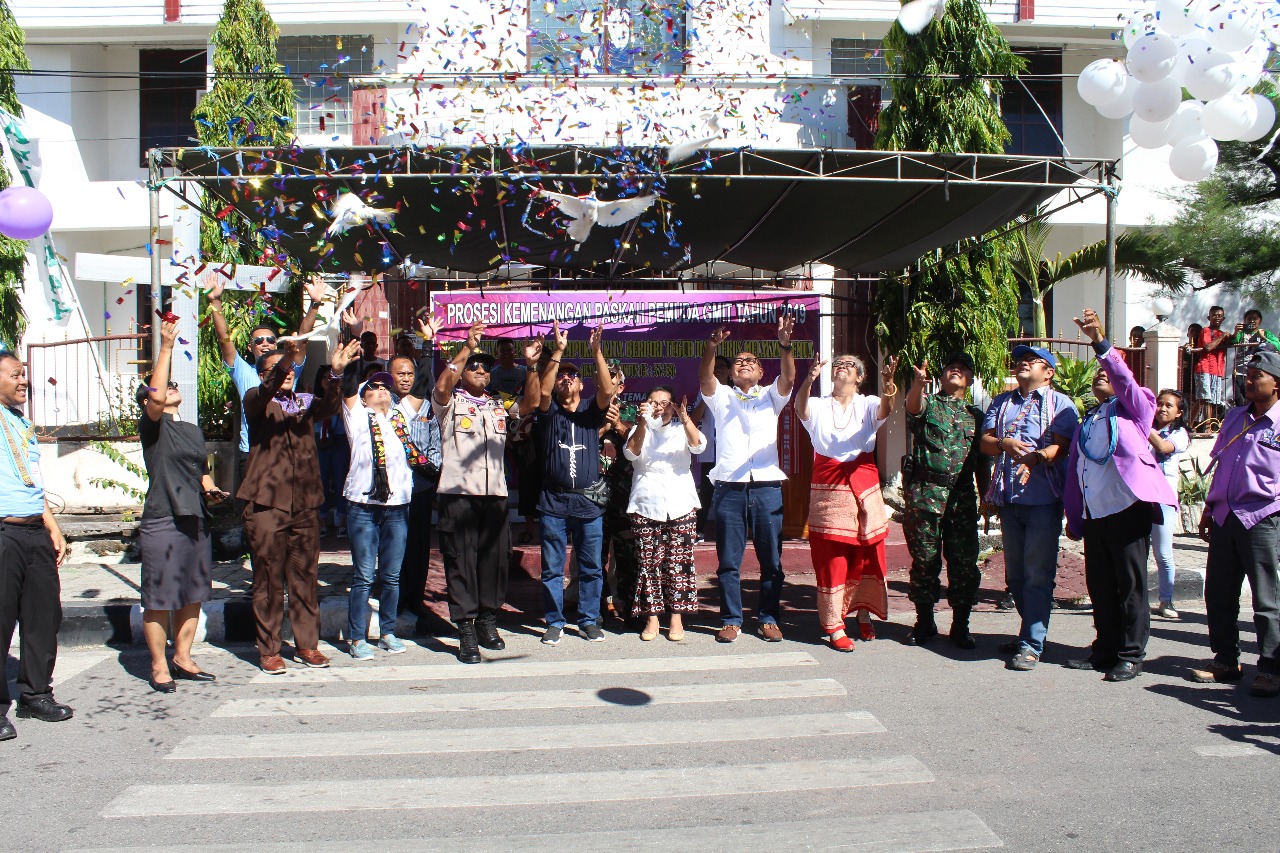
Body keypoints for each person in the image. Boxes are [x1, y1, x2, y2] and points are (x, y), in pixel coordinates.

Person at [1061, 309, 1177, 683]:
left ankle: (1131, 653)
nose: (1100, 376)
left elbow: (1125, 380)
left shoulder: (1137, 407)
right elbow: (1077, 474)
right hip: (1096, 515)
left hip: (1127, 510)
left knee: (1130, 586)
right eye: (1097, 374)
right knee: (1101, 587)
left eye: (1105, 373)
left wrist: (1100, 343)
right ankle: (1105, 649)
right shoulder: (1088, 420)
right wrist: (1075, 518)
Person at [238, 337, 355, 674]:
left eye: (287, 368)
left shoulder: (303, 401)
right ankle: (269, 649)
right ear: (263, 376)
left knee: (304, 577)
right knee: (268, 580)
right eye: (275, 369)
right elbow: (267, 390)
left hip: (305, 503)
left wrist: (334, 374)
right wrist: (287, 362)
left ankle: (307, 645)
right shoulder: (256, 400)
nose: (285, 373)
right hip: (266, 504)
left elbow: (331, 406)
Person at [433, 322, 536, 663]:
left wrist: (533, 366)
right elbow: (442, 385)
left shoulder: (498, 405)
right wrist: (466, 347)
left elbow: (532, 404)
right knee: (461, 562)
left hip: (494, 496)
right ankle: (465, 629)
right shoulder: (450, 403)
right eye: (473, 366)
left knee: (495, 561)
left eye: (485, 367)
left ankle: (487, 621)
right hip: (459, 495)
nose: (479, 370)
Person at [136, 320, 227, 693]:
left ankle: (183, 656)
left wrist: (211, 489)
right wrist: (167, 347)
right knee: (160, 595)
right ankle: (159, 665)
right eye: (163, 388)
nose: (171, 389)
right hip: (163, 517)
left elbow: (200, 469)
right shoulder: (153, 426)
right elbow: (157, 396)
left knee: (192, 591)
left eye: (174, 385)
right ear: (148, 402)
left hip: (195, 517)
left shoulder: (190, 429)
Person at [981, 344, 1080, 672]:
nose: (1023, 363)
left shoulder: (1061, 404)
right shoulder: (1002, 401)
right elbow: (984, 442)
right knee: (1017, 575)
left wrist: (1037, 458)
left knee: (1038, 575)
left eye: (1033, 361)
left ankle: (1031, 643)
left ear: (1048, 372)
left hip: (1043, 502)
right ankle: (1031, 632)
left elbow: (1063, 446)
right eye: (1021, 359)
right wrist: (1003, 444)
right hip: (1009, 501)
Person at [700, 316, 796, 643]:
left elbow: (789, 377)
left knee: (771, 559)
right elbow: (705, 378)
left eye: (751, 362)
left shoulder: (771, 395)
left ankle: (768, 618)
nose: (743, 364)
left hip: (767, 486)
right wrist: (712, 348)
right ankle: (731, 619)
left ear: (760, 373)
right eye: (738, 361)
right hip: (730, 488)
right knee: (729, 559)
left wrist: (784, 345)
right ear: (729, 372)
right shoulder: (721, 396)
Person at [1191, 350, 1280, 698]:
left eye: (1258, 375)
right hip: (1226, 516)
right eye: (1247, 374)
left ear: (1277, 383)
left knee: (1266, 599)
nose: (1249, 380)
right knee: (1219, 593)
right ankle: (1227, 660)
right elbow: (1222, 465)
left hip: (1263, 517)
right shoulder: (1234, 417)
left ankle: (1271, 669)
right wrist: (1210, 508)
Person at [795, 352, 897, 651]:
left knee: (867, 553)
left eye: (850, 365)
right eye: (838, 364)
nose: (842, 367)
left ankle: (863, 610)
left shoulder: (867, 404)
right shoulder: (817, 403)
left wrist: (889, 385)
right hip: (828, 487)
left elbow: (885, 409)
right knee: (832, 556)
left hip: (863, 484)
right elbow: (800, 408)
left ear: (860, 377)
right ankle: (834, 624)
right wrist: (809, 379)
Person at [339, 357, 434, 660]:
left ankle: (388, 632)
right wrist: (353, 344)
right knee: (365, 576)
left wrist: (428, 345)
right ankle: (356, 638)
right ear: (363, 396)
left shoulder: (399, 416)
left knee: (391, 576)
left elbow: (420, 383)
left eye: (385, 387)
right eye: (374, 387)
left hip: (396, 507)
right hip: (364, 506)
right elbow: (349, 384)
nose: (381, 390)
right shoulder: (356, 415)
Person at [0, 352, 71, 742]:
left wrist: (51, 525)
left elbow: (32, 480)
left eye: (24, 374)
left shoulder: (20, 422)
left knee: (44, 616)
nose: (23, 380)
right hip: (3, 533)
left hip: (33, 531)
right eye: (15, 375)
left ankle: (35, 694)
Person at [535, 321, 616, 645]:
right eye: (562, 377)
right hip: (553, 504)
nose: (566, 379)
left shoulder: (590, 413)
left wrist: (596, 352)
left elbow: (608, 391)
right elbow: (542, 391)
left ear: (581, 385)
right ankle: (554, 621)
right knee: (553, 568)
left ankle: (587, 619)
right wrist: (558, 351)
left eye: (573, 376)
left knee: (591, 566)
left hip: (587, 505)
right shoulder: (549, 411)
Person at [902, 354, 989, 650]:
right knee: (925, 562)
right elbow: (913, 409)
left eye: (963, 368)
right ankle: (924, 622)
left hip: (961, 499)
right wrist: (917, 384)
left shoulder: (976, 416)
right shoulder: (929, 404)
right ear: (940, 377)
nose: (956, 370)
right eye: (951, 367)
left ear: (970, 379)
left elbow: (982, 462)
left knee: (963, 563)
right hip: (925, 496)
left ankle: (960, 625)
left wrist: (988, 497)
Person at [205, 276, 325, 469]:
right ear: (250, 346)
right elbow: (224, 339)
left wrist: (315, 304)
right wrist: (215, 301)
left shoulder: (290, 367)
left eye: (270, 339)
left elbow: (303, 338)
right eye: (259, 341)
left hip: (287, 449)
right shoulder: (243, 371)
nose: (265, 344)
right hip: (253, 451)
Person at [625, 387, 706, 642]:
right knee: (649, 563)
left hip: (681, 503)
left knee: (678, 563)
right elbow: (631, 453)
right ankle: (651, 618)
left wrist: (685, 418)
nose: (659, 407)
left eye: (664, 402)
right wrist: (640, 423)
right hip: (645, 503)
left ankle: (676, 617)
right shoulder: (641, 429)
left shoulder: (682, 428)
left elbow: (699, 446)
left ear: (672, 406)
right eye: (653, 402)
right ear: (645, 405)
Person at [387, 319, 443, 625]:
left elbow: (434, 441)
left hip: (420, 488)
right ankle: (395, 600)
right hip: (393, 489)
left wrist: (430, 468)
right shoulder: (383, 405)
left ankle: (416, 599)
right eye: (400, 374)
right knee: (395, 547)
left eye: (410, 374)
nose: (406, 379)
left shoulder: (424, 407)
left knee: (420, 547)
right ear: (391, 377)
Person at [599, 362, 639, 625]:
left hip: (624, 494)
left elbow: (641, 447)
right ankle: (596, 608)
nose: (605, 379)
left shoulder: (633, 412)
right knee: (593, 555)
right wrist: (600, 428)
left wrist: (620, 427)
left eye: (611, 376)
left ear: (620, 385)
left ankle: (628, 606)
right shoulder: (585, 409)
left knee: (627, 554)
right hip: (593, 494)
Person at [1147, 389, 1189, 620]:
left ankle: (1166, 600)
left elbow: (1163, 448)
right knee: (1138, 553)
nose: (1162, 408)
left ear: (1179, 412)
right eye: (1159, 404)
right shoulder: (1147, 430)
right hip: (1141, 499)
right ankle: (1136, 599)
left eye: (1169, 405)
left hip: (1163, 499)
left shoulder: (1180, 434)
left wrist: (1144, 426)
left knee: (1162, 553)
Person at [690, 354, 731, 539]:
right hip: (710, 451)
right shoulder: (703, 391)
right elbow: (695, 419)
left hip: (731, 450)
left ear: (730, 371)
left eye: (722, 366)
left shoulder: (736, 391)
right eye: (716, 367)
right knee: (706, 492)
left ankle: (732, 531)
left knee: (731, 492)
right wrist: (707, 398)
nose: (719, 370)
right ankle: (699, 530)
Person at [1227, 309, 1280, 406]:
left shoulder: (1265, 333)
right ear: (1245, 320)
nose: (1252, 321)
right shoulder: (1241, 333)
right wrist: (1236, 331)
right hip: (1239, 370)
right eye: (1249, 319)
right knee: (1238, 398)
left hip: (1254, 371)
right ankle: (1242, 419)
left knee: (1252, 397)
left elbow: (1277, 345)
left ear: (1260, 320)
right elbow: (1233, 341)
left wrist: (1263, 338)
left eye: (1255, 319)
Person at [1188, 306, 1229, 430]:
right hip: (1204, 368)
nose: (1217, 317)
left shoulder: (1223, 334)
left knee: (1211, 401)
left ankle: (1208, 426)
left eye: (1220, 315)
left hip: (1217, 370)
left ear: (1223, 318)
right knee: (1203, 398)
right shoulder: (1206, 330)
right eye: (1214, 315)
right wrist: (1222, 337)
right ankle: (1188, 424)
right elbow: (1207, 347)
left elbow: (1233, 340)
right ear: (1209, 318)